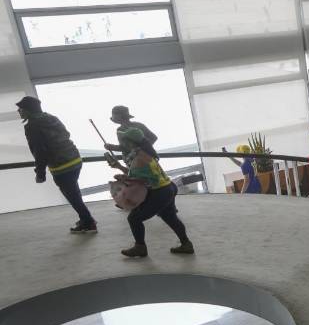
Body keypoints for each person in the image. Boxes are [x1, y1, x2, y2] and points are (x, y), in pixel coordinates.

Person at [16, 95, 97, 234]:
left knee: (72, 196)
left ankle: (88, 222)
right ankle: (85, 218)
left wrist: (40, 173)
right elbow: (66, 133)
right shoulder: (51, 117)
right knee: (74, 192)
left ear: (28, 110)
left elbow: (39, 151)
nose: (19, 112)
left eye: (21, 109)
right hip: (75, 159)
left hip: (61, 166)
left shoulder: (32, 126)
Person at [112, 129, 192, 257]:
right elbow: (140, 173)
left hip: (159, 192)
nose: (123, 145)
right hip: (168, 187)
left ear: (131, 143)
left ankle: (140, 247)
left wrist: (124, 178)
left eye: (124, 142)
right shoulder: (146, 153)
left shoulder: (139, 158)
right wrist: (120, 168)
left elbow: (146, 180)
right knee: (170, 218)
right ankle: (186, 244)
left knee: (133, 218)